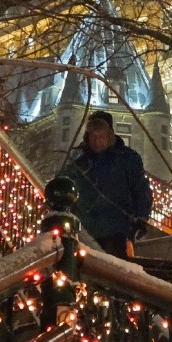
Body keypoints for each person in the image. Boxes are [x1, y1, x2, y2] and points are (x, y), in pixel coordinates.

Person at [61, 110, 153, 259]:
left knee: (112, 269)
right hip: (83, 228)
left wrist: (141, 217)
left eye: (101, 137)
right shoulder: (78, 161)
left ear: (109, 135)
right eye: (93, 137)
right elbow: (65, 185)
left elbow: (140, 189)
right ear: (87, 136)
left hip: (116, 229)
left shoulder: (127, 159)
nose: (97, 141)